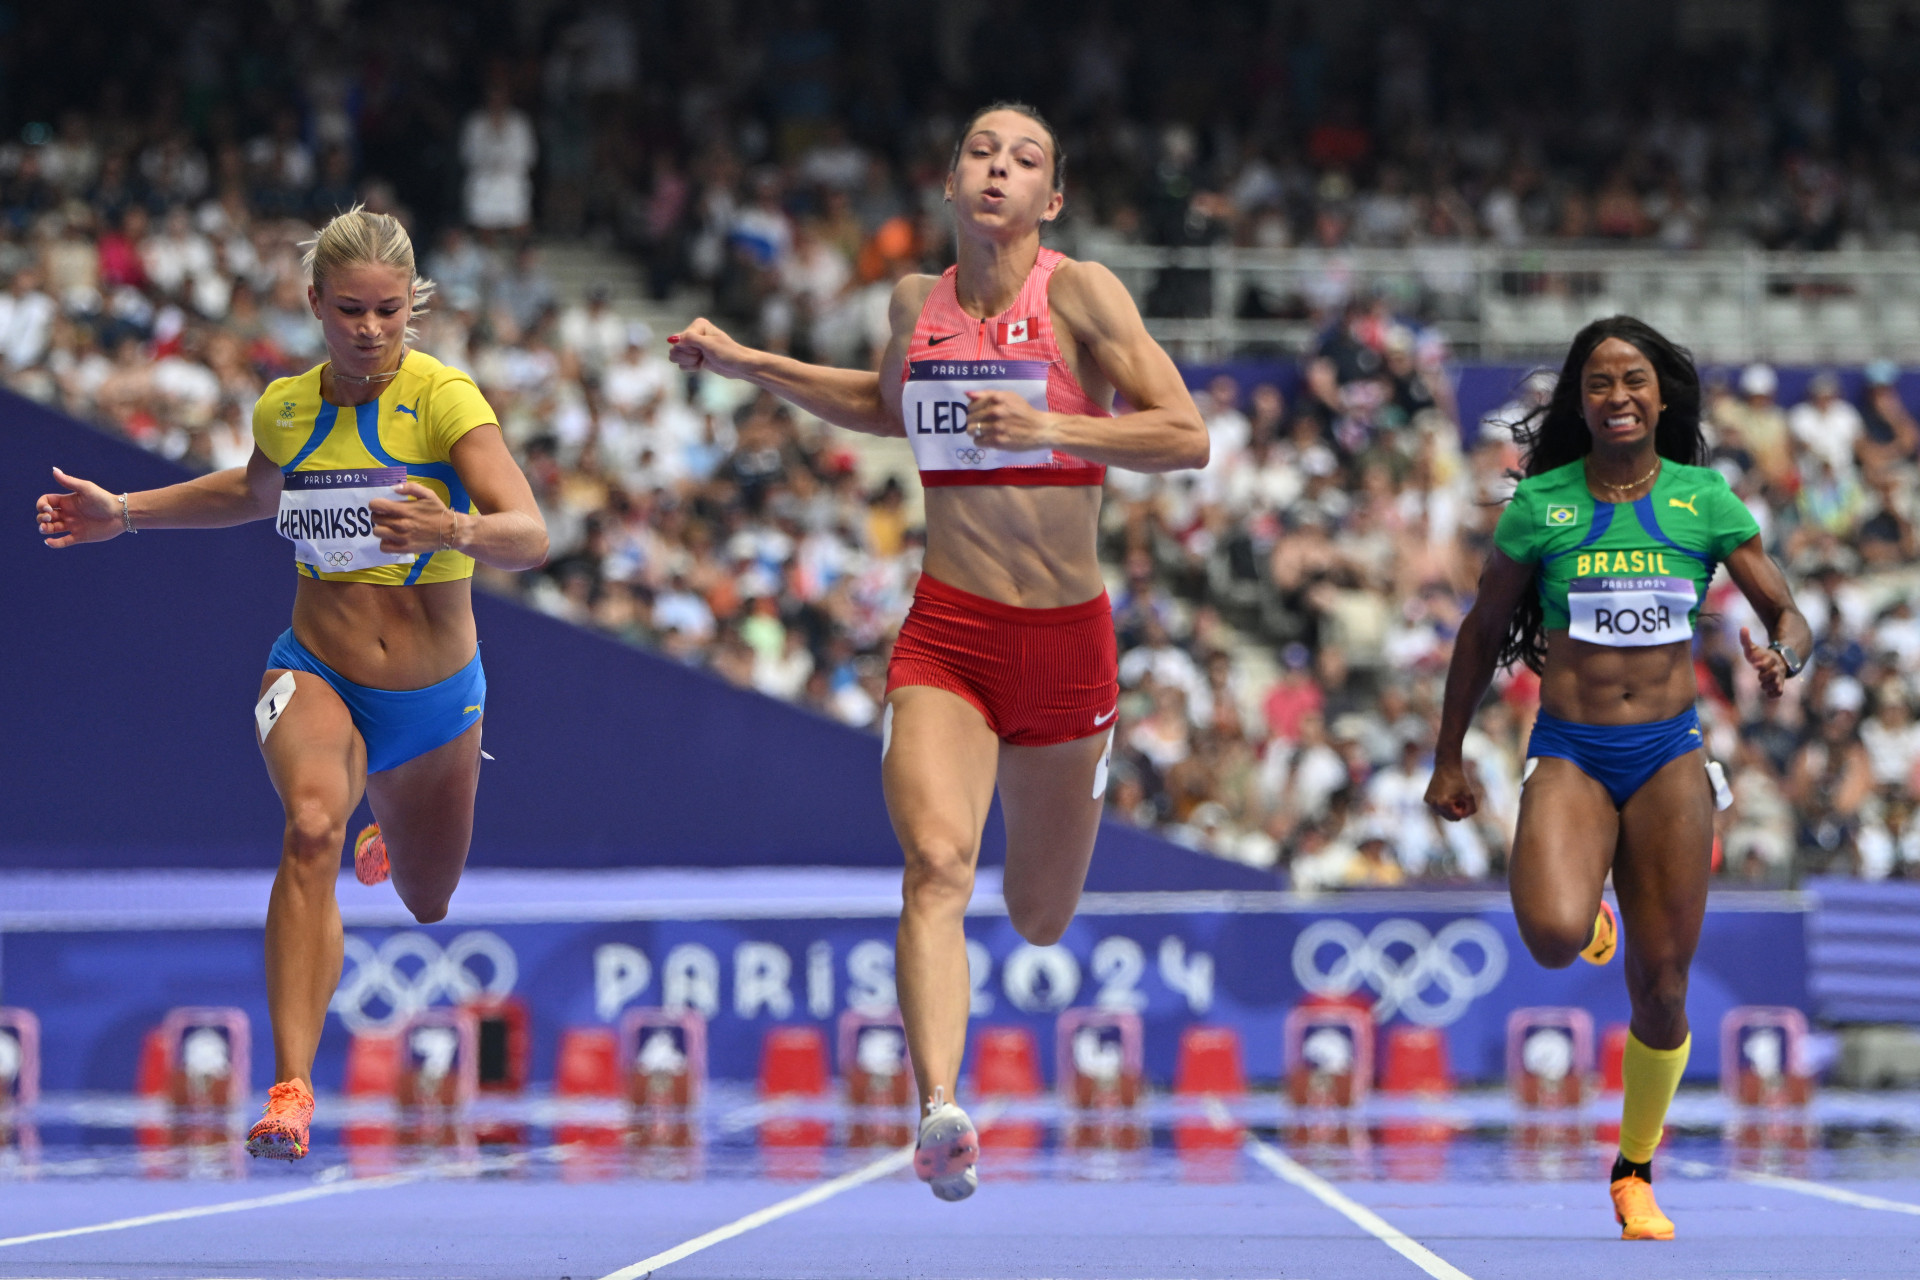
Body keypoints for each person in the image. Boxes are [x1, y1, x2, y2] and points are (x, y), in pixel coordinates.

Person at [666, 101, 1207, 1201]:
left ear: (1050, 198)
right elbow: (881, 405)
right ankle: (939, 1109)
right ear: (950, 180)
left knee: (1040, 914)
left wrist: (1057, 426)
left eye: (1024, 161)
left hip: (1066, 645)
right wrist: (748, 364)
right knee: (937, 865)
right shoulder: (915, 300)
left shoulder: (1084, 293)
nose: (998, 169)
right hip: (949, 634)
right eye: (980, 152)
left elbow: (1184, 435)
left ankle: (1066, 806)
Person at [35, 206, 548, 1160]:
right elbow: (250, 492)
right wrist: (126, 513)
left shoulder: (446, 402)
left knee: (430, 903)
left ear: (411, 309)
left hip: (438, 703)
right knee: (310, 825)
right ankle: (293, 1088)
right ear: (315, 304)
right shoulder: (286, 406)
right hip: (315, 671)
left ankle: (388, 818)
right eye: (349, 309)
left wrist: (459, 531)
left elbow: (532, 531)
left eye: (389, 312)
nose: (370, 330)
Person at [1425, 316, 1811, 1241]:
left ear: (1661, 395)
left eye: (1634, 379)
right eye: (1599, 383)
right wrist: (1448, 753)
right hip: (1572, 750)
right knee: (1556, 935)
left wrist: (1785, 659)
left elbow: (1787, 610)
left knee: (1664, 988)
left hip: (1671, 756)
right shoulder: (1542, 506)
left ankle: (1635, 1169)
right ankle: (1591, 912)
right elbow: (1482, 633)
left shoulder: (1703, 499)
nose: (1619, 396)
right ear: (1579, 403)